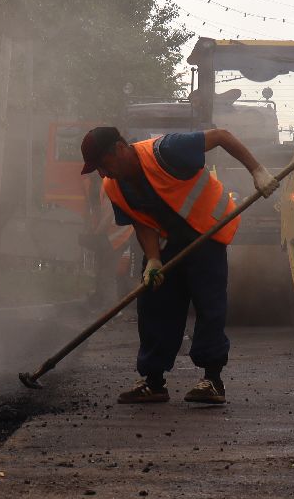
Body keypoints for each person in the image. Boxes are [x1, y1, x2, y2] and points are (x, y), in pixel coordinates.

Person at [79, 124, 278, 405]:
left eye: (102, 164)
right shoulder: (114, 186)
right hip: (166, 243)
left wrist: (257, 170)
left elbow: (221, 136)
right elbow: (141, 221)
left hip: (206, 233)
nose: (102, 173)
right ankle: (153, 381)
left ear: (120, 149)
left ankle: (212, 380)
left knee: (209, 304)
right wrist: (153, 260)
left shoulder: (167, 151)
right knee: (153, 303)